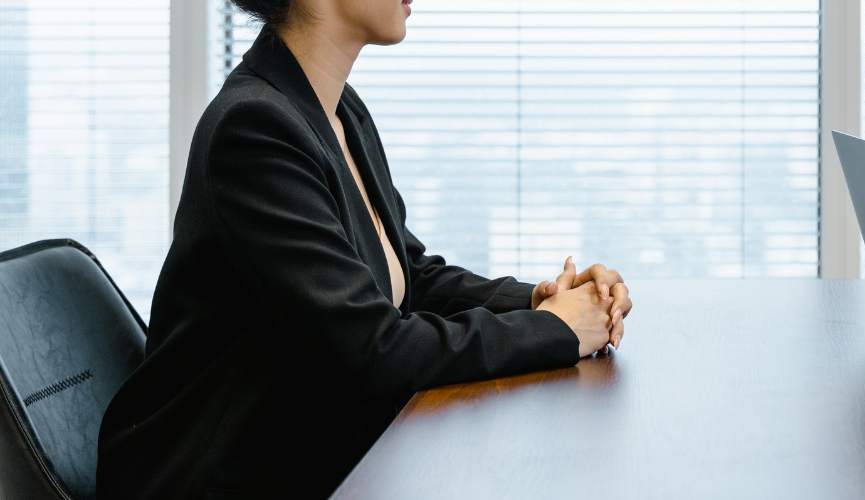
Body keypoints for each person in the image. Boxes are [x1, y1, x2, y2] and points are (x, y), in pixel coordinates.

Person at [97, 0, 633, 497]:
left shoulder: (338, 109)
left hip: (308, 451)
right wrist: (556, 330)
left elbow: (411, 277)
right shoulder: (254, 128)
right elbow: (374, 350)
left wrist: (542, 301)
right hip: (213, 477)